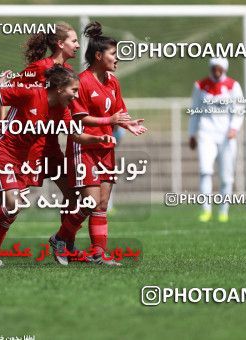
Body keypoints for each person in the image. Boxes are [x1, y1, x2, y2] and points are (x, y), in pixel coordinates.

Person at [0, 65, 114, 267]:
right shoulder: (32, 93)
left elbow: (76, 135)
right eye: (74, 90)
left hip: (22, 160)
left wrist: (97, 139)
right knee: (12, 204)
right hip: (1, 152)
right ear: (60, 88)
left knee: (13, 208)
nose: (76, 96)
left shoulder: (62, 110)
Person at [0, 22, 84, 256]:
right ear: (60, 43)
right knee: (14, 203)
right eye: (74, 41)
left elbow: (72, 122)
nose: (78, 45)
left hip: (51, 144)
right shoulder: (38, 69)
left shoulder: (67, 76)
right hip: (30, 147)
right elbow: (7, 96)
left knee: (74, 195)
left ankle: (64, 243)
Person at [49, 21, 147, 266]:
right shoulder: (80, 82)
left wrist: (127, 123)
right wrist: (110, 120)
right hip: (84, 147)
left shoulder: (113, 81)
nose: (117, 57)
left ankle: (97, 252)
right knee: (89, 202)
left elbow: (119, 111)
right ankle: (61, 238)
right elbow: (80, 118)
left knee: (101, 204)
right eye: (113, 53)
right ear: (98, 55)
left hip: (105, 148)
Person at [188, 57, 244, 223]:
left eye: (219, 67)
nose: (216, 70)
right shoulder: (200, 85)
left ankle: (223, 211)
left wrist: (234, 128)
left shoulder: (233, 86)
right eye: (214, 67)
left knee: (226, 177)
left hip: (226, 135)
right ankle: (206, 210)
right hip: (206, 134)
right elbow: (194, 110)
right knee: (205, 171)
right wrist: (192, 133)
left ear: (224, 68)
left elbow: (239, 109)